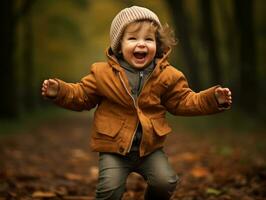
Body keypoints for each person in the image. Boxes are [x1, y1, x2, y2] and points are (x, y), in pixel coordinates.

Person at [41, 6, 232, 200]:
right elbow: (81, 95)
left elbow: (183, 101)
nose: (141, 44)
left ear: (157, 44)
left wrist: (212, 99)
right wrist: (60, 91)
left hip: (149, 149)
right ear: (119, 45)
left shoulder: (167, 75)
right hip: (114, 149)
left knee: (166, 182)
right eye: (133, 38)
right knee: (109, 190)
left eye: (148, 39)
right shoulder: (102, 74)